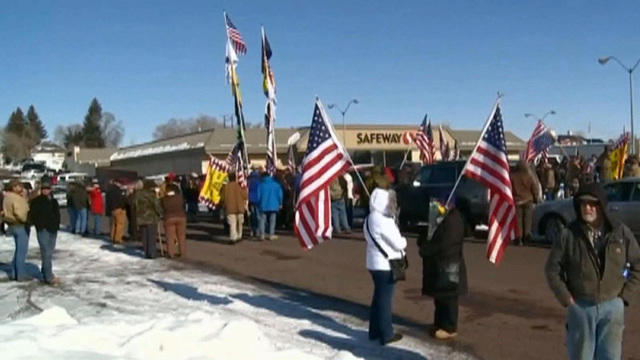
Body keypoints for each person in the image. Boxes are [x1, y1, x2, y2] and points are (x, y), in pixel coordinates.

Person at [545, 183, 640, 360]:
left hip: (613, 307)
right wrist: (567, 299)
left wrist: (624, 297)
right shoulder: (568, 235)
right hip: (581, 307)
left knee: (610, 356)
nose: (587, 208)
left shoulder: (619, 233)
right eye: (582, 204)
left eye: (592, 204)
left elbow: (638, 266)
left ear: (601, 206)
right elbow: (552, 269)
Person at [418, 197, 469, 340]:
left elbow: (446, 243)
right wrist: (423, 240)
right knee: (439, 296)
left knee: (449, 298)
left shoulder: (453, 219)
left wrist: (427, 249)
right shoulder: (440, 217)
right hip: (438, 264)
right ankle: (439, 323)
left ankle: (449, 327)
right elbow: (430, 234)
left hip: (449, 264)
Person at [363, 188, 407, 345]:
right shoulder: (383, 220)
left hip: (373, 263)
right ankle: (386, 333)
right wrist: (404, 240)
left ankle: (374, 331)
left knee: (378, 298)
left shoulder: (369, 218)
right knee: (384, 300)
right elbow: (398, 243)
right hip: (385, 264)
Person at [28, 180, 61, 285]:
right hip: (43, 229)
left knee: (49, 252)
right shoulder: (36, 201)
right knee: (46, 252)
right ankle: (49, 276)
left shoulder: (54, 201)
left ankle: (45, 270)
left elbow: (57, 214)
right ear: (41, 190)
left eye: (48, 189)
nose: (46, 191)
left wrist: (57, 224)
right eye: (44, 189)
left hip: (53, 229)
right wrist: (38, 224)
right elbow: (32, 215)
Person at [3, 180, 30, 281]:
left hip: (12, 224)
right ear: (13, 187)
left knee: (18, 250)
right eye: (19, 186)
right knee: (21, 251)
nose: (21, 188)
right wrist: (25, 219)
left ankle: (15, 273)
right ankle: (21, 274)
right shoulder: (15, 198)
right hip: (19, 225)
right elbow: (19, 212)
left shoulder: (7, 197)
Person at [510, 160, 539, 245]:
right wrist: (536, 198)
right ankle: (527, 237)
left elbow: (510, 189)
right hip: (528, 200)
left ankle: (519, 238)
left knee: (518, 220)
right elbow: (534, 188)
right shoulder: (529, 176)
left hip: (517, 201)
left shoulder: (512, 177)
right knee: (528, 220)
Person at [135, 180, 163, 258]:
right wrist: (160, 213)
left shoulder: (138, 194)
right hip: (151, 217)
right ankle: (152, 253)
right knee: (151, 235)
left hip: (141, 217)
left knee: (144, 235)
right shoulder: (151, 194)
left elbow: (135, 205)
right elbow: (156, 205)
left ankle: (146, 252)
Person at [161, 183, 187, 257]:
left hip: (169, 218)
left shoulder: (164, 199)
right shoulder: (180, 197)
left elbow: (162, 208)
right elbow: (183, 205)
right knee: (181, 236)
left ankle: (171, 253)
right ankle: (182, 252)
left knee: (170, 237)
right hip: (181, 217)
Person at [257, 172, 283, 241]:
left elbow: (258, 196)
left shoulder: (261, 185)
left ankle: (262, 235)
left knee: (262, 220)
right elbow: (280, 195)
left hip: (263, 204)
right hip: (274, 205)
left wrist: (258, 203)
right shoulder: (276, 185)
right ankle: (271, 234)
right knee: (272, 220)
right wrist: (280, 203)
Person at [223, 173, 248, 242]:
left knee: (232, 224)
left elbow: (224, 198)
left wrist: (225, 205)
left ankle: (233, 237)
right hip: (240, 207)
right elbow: (245, 196)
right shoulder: (239, 186)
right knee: (240, 223)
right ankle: (239, 236)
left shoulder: (226, 187)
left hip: (230, 208)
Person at [106, 179, 127, 244]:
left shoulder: (109, 191)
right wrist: (123, 206)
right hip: (119, 208)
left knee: (114, 224)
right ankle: (118, 239)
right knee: (120, 224)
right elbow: (122, 200)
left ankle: (113, 237)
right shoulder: (119, 191)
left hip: (112, 209)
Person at [247, 167, 262, 237]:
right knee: (258, 216)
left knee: (252, 216)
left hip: (251, 199)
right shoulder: (259, 180)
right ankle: (258, 231)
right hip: (257, 199)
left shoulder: (249, 180)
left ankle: (253, 230)